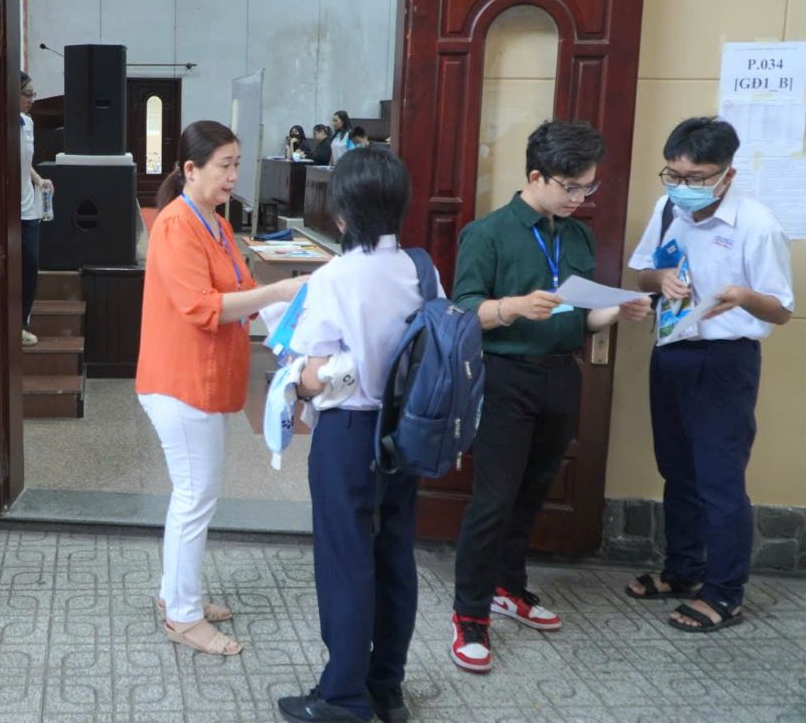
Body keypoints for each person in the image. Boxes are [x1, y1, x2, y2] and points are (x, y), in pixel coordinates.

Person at [447, 120, 651, 674]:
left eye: (588, 188)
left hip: (562, 374)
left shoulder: (577, 236)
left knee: (534, 490)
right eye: (571, 187)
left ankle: (508, 588)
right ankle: (469, 614)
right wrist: (511, 307)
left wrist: (619, 311)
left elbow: (585, 317)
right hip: (504, 376)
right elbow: (463, 309)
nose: (580, 198)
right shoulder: (487, 234)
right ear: (536, 176)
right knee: (493, 499)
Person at [136, 121, 304, 656]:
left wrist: (293, 316)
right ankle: (183, 617)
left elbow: (246, 293)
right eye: (224, 165)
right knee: (194, 498)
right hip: (178, 380)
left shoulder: (216, 224)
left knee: (195, 496)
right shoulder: (174, 226)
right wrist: (279, 289)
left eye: (237, 163)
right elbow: (202, 307)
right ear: (190, 169)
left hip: (202, 379)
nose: (234, 175)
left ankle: (175, 595)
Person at [277, 147, 429, 723]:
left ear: (341, 213)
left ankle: (342, 696)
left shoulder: (334, 277)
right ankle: (385, 688)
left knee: (346, 560)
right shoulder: (420, 267)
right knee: (394, 555)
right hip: (406, 432)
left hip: (348, 434)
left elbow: (320, 377)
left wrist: (292, 379)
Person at [623, 117, 793, 632]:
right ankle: (683, 572)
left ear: (727, 175)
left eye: (697, 178)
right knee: (677, 470)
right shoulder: (668, 205)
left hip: (725, 362)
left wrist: (741, 295)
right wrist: (663, 278)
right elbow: (643, 271)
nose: (684, 187)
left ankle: (724, 594)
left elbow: (782, 310)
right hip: (672, 351)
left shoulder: (758, 225)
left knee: (720, 481)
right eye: (674, 174)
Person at [19, 71, 54, 347]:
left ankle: (21, 323)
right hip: (6, 208)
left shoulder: (28, 123)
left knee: (31, 262)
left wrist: (39, 178)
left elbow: (24, 161)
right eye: (27, 94)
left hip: (28, 205)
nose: (32, 99)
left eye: (33, 94)